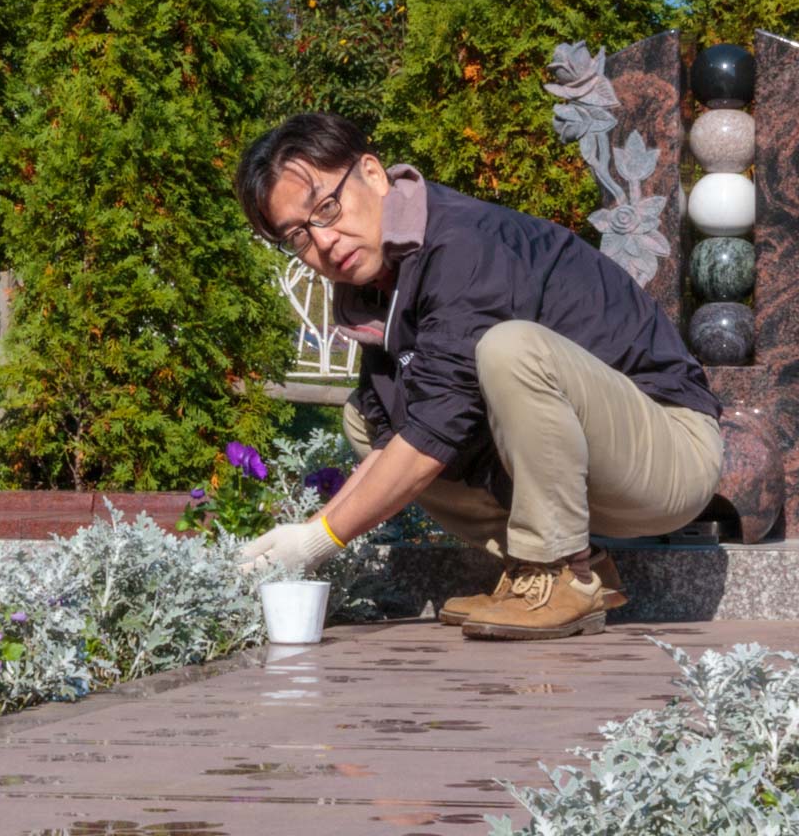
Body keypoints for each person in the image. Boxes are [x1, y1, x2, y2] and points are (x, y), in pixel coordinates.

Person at [233, 113, 724, 641]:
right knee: (364, 419)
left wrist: (318, 542)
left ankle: (554, 571)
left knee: (509, 349)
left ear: (373, 175)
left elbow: (437, 429)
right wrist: (303, 536)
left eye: (327, 208)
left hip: (670, 451)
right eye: (298, 236)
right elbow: (397, 439)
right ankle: (569, 569)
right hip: (590, 473)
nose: (324, 242)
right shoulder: (377, 285)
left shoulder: (462, 245)